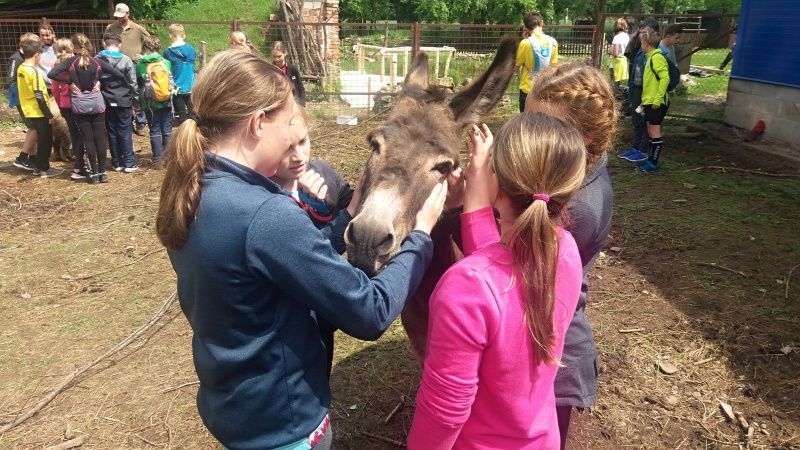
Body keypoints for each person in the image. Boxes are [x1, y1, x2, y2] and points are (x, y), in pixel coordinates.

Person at [155, 49, 446, 449]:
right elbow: (370, 312)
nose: (296, 131)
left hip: (234, 404)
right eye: (291, 118)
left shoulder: (195, 188)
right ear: (258, 123)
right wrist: (421, 237)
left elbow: (276, 260)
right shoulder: (266, 214)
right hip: (286, 425)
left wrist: (344, 219)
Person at [408, 113, 584, 449]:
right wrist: (480, 175)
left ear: (498, 185)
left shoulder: (465, 288)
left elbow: (444, 414)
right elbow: (494, 265)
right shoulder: (565, 250)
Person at [524, 63, 618, 449]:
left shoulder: (578, 208)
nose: (527, 134)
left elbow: (513, 271)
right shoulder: (567, 168)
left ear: (585, 136)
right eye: (526, 119)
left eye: (542, 126)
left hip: (551, 362)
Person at [269, 103, 354, 378]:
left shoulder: (323, 173)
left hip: (322, 305)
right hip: (288, 321)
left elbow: (351, 201)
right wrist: (327, 217)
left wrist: (328, 207)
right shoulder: (265, 196)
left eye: (303, 141)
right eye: (287, 148)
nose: (298, 156)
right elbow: (303, 254)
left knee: (322, 358)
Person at [49, 33, 124, 184]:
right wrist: (100, 82)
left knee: (86, 139)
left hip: (79, 105)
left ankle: (93, 174)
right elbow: (118, 74)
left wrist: (69, 82)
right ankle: (103, 173)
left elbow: (52, 74)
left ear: (73, 46)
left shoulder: (70, 62)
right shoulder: (96, 62)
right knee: (100, 139)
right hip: (96, 104)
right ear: (89, 45)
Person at [17, 36, 62, 178]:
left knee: (41, 138)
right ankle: (44, 169)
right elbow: (39, 95)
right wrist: (49, 115)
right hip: (38, 111)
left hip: (28, 108)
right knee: (45, 140)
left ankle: (37, 167)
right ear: (37, 54)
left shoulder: (21, 68)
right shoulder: (34, 71)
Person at [97, 32, 139, 173]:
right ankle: (129, 163)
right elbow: (132, 82)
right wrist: (136, 100)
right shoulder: (126, 60)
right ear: (119, 45)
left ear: (104, 44)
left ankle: (116, 162)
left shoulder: (97, 60)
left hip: (106, 101)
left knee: (112, 132)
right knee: (125, 132)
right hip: (123, 101)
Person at [618, 17, 659, 162]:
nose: (640, 35)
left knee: (643, 121)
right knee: (636, 119)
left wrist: (649, 96)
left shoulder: (656, 54)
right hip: (636, 90)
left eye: (644, 32)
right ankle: (635, 147)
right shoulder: (640, 51)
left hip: (646, 92)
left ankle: (642, 150)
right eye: (640, 32)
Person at [105, 2, 150, 135]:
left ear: (128, 14)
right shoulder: (111, 28)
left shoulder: (138, 29)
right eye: (118, 16)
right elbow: (105, 42)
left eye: (122, 16)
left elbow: (151, 42)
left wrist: (144, 55)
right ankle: (126, 121)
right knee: (121, 93)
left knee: (137, 91)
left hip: (134, 64)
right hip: (116, 65)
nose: (120, 18)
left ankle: (140, 123)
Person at [50, 37, 87, 181]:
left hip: (64, 104)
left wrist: (60, 104)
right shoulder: (77, 62)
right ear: (72, 47)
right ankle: (80, 163)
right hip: (80, 103)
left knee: (70, 133)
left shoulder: (56, 65)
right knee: (81, 134)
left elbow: (55, 88)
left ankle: (67, 157)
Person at [636, 29, 670, 173]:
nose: (641, 46)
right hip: (650, 102)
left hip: (657, 103)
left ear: (646, 43)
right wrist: (644, 101)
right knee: (650, 131)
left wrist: (657, 99)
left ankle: (654, 163)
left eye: (641, 43)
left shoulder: (657, 57)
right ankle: (650, 159)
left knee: (655, 132)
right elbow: (650, 83)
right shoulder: (650, 58)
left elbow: (665, 78)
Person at [136, 35, 172, 168]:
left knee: (155, 129)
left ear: (145, 47)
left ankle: (158, 159)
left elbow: (139, 80)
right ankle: (169, 157)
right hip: (166, 99)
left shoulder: (141, 63)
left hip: (150, 102)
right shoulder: (166, 62)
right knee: (167, 129)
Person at [515, 11, 558, 112]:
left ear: (526, 27)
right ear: (541, 23)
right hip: (545, 89)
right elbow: (554, 68)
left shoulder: (525, 43)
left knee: (526, 119)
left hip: (527, 90)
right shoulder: (553, 42)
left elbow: (515, 67)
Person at [8, 33, 39, 171]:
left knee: (32, 128)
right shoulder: (16, 58)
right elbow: (9, 80)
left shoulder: (24, 57)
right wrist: (23, 95)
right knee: (35, 128)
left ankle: (32, 158)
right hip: (22, 100)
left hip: (26, 99)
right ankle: (22, 158)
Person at [163, 24, 196, 126]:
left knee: (181, 116)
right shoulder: (192, 50)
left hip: (177, 88)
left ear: (170, 35)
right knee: (193, 113)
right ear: (184, 35)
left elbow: (167, 69)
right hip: (191, 86)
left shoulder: (167, 52)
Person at [270, 41, 306, 107]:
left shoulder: (293, 69)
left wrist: (302, 105)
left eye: (279, 56)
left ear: (285, 53)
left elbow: (300, 88)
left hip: (293, 104)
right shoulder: (269, 70)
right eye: (274, 56)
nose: (277, 59)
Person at [609, 18, 629, 84]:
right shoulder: (626, 36)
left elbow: (615, 53)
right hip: (623, 61)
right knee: (617, 83)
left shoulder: (617, 37)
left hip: (615, 63)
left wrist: (610, 50)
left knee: (613, 84)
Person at [36, 24, 57, 92]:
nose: (45, 38)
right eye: (42, 35)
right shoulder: (36, 48)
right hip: (42, 86)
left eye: (47, 35)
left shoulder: (60, 47)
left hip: (57, 84)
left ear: (53, 34)